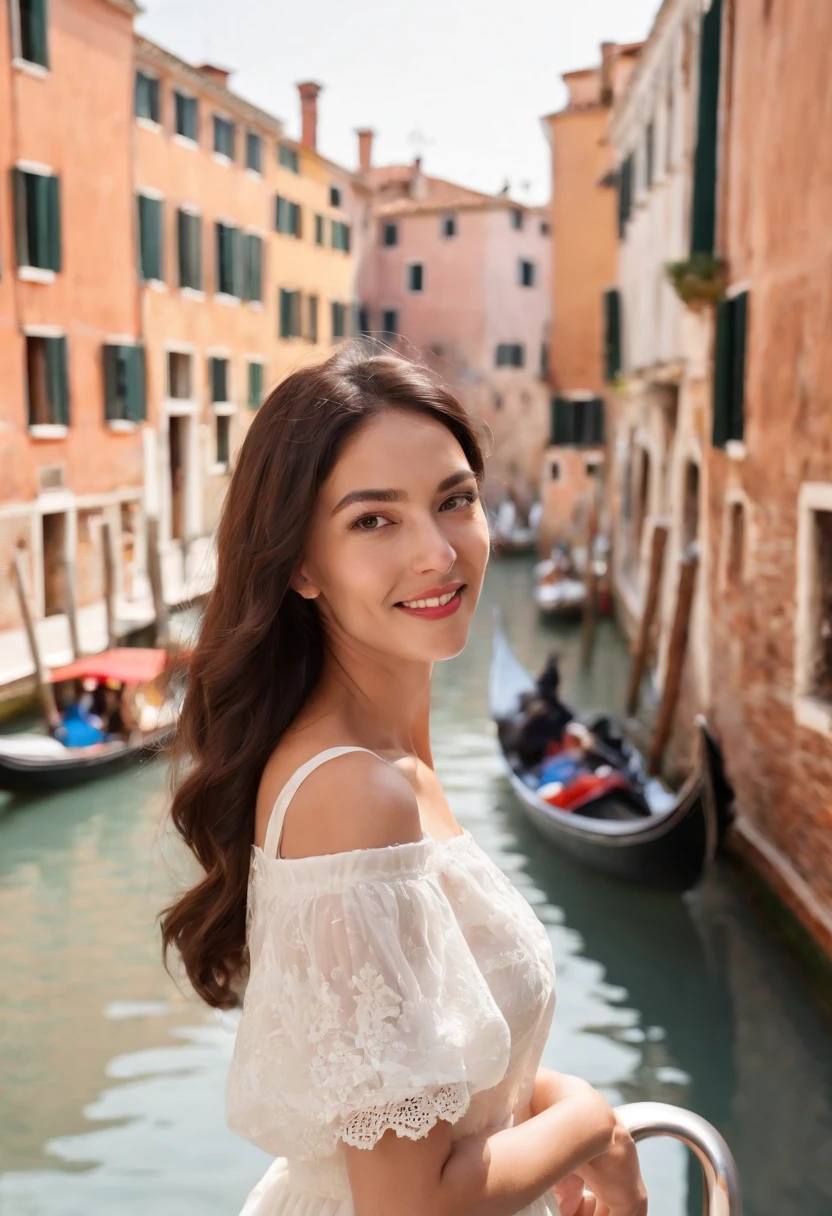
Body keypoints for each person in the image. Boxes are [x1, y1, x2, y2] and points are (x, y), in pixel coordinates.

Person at [160, 345, 647, 1216]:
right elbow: (409, 1209)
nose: (438, 553)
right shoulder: (358, 794)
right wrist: (591, 1128)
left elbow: (443, 1085)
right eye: (374, 521)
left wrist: (552, 1100)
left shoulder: (390, 764)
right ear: (301, 565)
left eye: (454, 501)